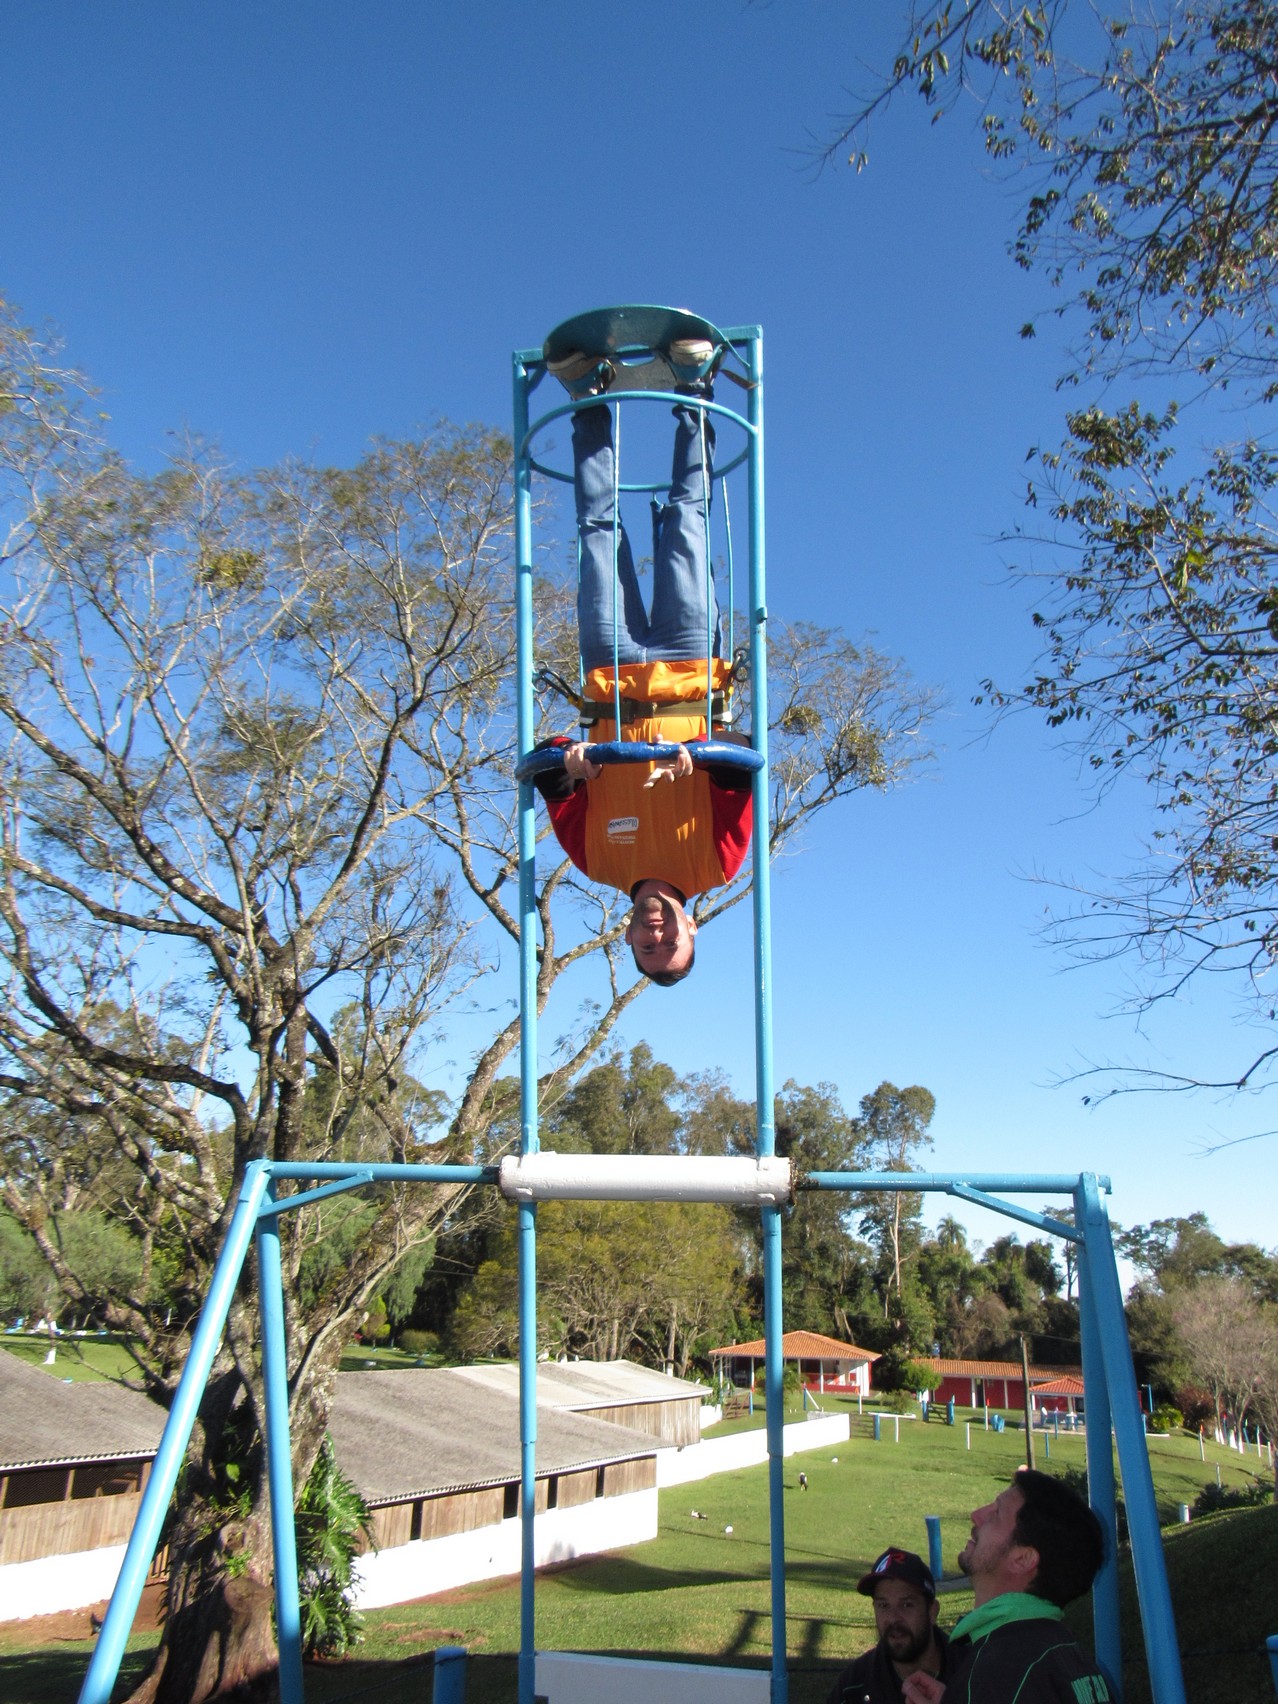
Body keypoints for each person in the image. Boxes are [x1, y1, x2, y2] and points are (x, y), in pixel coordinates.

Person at [532, 339, 753, 985]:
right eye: (669, 943)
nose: (655, 934)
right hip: (690, 666)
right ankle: (693, 391)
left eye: (645, 947)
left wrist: (568, 762)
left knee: (597, 532)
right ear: (692, 928)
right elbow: (744, 758)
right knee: (686, 523)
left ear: (624, 937)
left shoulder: (597, 861)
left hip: (611, 670)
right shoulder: (717, 865)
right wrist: (705, 756)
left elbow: (548, 771)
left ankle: (587, 399)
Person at [901, 1470, 1113, 1704]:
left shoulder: (1001, 1671)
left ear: (1023, 1559)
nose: (976, 1515)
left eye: (996, 1514)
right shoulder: (1068, 1657)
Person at [826, 1547, 949, 1704]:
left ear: (932, 1611)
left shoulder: (970, 1671)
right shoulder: (854, 1684)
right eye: (883, 1605)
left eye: (906, 1605)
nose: (893, 1618)